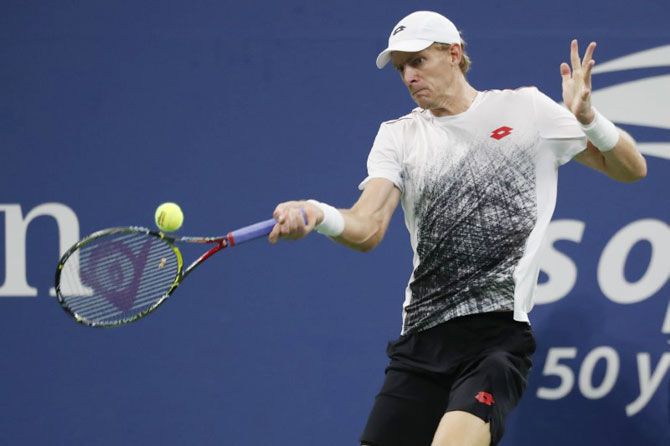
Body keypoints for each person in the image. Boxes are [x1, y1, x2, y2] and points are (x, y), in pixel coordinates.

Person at [268, 10, 647, 446]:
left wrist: (588, 120)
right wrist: (318, 214)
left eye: (418, 61)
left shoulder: (526, 109)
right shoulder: (398, 137)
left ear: (454, 54)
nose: (409, 76)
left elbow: (631, 169)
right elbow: (368, 227)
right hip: (420, 343)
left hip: (496, 340)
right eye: (401, 68)